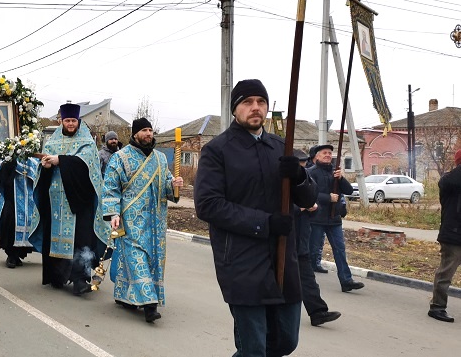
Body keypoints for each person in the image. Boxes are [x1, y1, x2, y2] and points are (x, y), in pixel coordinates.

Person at [194, 79, 316, 356]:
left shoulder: (280, 147)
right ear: (235, 109)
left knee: (285, 341)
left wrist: (299, 177)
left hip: (283, 257)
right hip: (241, 261)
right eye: (247, 102)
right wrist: (265, 223)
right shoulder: (217, 150)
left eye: (261, 102)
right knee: (254, 348)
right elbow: (208, 205)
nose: (255, 108)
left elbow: (308, 199)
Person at [102, 118, 183, 323]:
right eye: (144, 130)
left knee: (151, 260)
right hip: (131, 219)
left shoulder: (160, 159)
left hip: (155, 220)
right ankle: (149, 305)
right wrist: (114, 213)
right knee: (136, 258)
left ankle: (126, 296)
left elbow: (165, 185)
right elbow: (110, 187)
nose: (149, 133)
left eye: (151, 130)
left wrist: (174, 185)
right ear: (135, 133)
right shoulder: (120, 157)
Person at [33, 103, 106, 295]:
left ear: (78, 121)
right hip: (55, 200)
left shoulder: (87, 143)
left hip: (79, 201)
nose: (71, 124)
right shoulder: (51, 142)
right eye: (67, 121)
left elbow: (86, 168)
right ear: (61, 121)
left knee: (80, 239)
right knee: (54, 237)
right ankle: (56, 276)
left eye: (74, 120)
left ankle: (80, 279)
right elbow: (42, 171)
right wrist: (46, 167)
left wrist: (61, 160)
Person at [308, 144, 365, 292]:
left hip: (334, 219)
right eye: (324, 153)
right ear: (317, 156)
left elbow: (349, 190)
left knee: (340, 249)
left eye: (329, 153)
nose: (327, 155)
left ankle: (346, 280)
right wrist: (328, 198)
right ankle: (306, 282)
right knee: (313, 251)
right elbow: (308, 193)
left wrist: (341, 179)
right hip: (316, 218)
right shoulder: (310, 172)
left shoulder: (336, 173)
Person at [293, 149, 341, 327]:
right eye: (300, 165)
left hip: (301, 240)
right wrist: (301, 208)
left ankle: (318, 312)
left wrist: (312, 207)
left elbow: (313, 206)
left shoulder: (305, 181)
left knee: (307, 278)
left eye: (304, 165)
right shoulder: (279, 183)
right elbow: (274, 210)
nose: (302, 169)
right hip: (282, 241)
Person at [428, 149, 461, 323]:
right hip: (453, 236)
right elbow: (451, 180)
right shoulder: (449, 181)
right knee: (445, 274)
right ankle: (437, 307)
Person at [0, 157, 40, 268]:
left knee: (26, 223)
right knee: (9, 222)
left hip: (27, 197)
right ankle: (11, 254)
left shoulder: (32, 160)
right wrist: (10, 164)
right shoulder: (7, 157)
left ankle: (18, 254)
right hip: (11, 196)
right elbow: (2, 174)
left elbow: (36, 175)